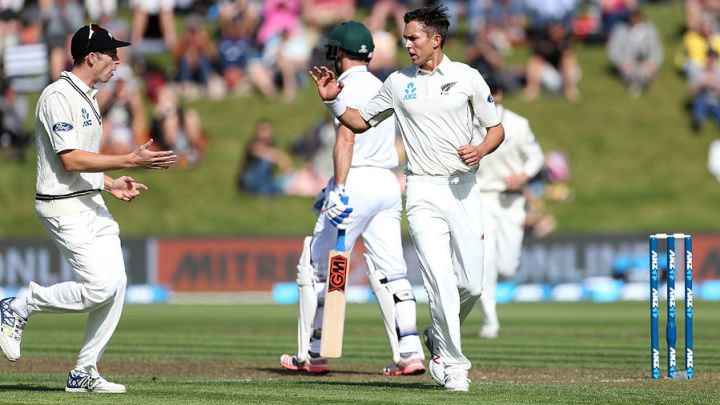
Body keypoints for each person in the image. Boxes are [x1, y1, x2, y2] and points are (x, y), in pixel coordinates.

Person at [309, 3, 505, 392]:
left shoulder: (467, 77)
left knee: (471, 285)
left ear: (436, 39)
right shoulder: (398, 83)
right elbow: (359, 122)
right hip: (421, 191)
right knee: (440, 282)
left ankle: (438, 335)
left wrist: (480, 150)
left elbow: (495, 129)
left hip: (463, 189)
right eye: (405, 39)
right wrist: (333, 101)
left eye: (414, 38)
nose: (408, 45)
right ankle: (453, 365)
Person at [0, 23, 177, 394]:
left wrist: (109, 183)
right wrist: (130, 160)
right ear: (91, 57)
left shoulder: (90, 98)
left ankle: (84, 371)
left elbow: (82, 162)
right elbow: (69, 160)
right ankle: (19, 305)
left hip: (89, 201)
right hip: (63, 207)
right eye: (112, 54)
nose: (118, 61)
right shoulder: (57, 96)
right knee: (100, 287)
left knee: (117, 284)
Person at [280, 21, 426, 377]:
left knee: (314, 266)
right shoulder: (383, 86)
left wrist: (339, 189)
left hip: (355, 180)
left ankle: (311, 354)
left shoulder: (343, 87)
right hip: (387, 183)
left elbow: (346, 139)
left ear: (337, 53)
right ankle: (410, 352)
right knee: (392, 272)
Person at [474, 77, 544, 339]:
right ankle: (489, 320)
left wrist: (523, 176)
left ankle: (490, 313)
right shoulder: (465, 124)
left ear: (499, 95)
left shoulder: (518, 124)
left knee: (507, 267)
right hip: (481, 198)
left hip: (512, 200)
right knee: (486, 261)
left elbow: (536, 156)